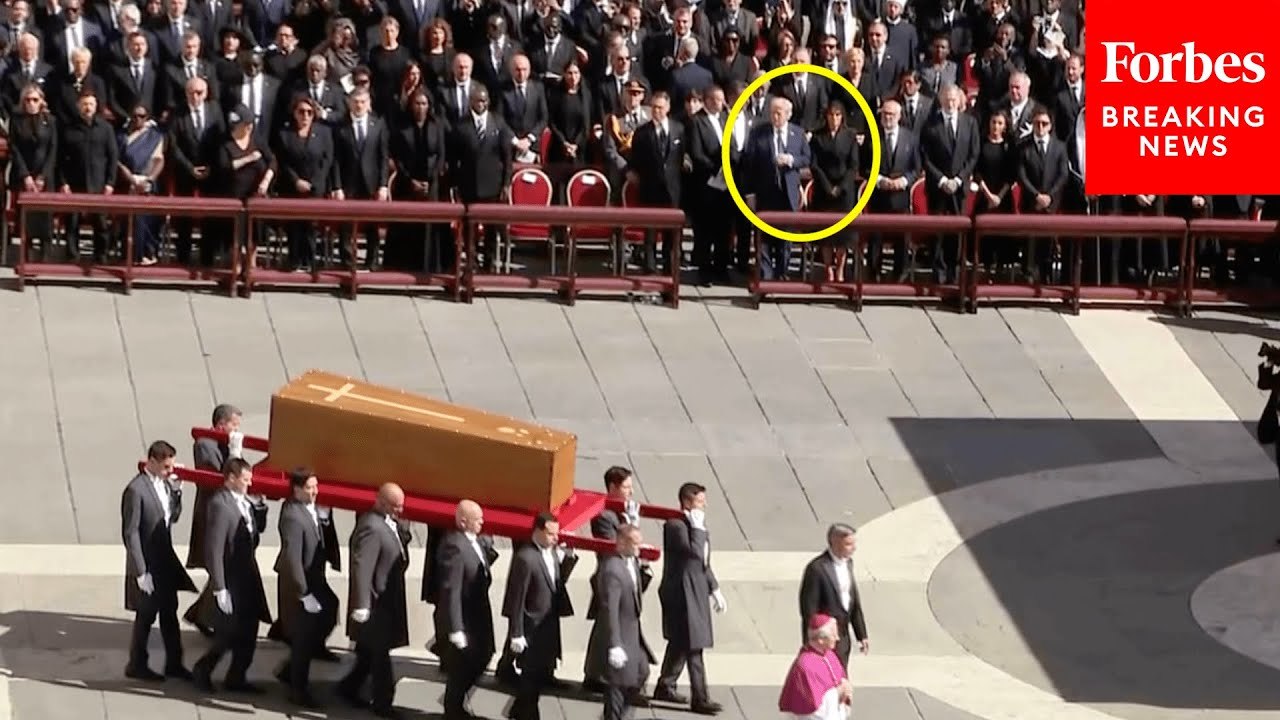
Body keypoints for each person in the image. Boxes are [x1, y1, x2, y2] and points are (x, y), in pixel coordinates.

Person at [191, 457, 274, 694]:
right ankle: (203, 669)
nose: (249, 484)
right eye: (245, 479)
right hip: (232, 578)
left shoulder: (243, 502)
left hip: (248, 575)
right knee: (228, 633)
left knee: (249, 630)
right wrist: (219, 588)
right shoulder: (220, 505)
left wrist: (259, 508)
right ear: (231, 478)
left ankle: (237, 676)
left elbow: (255, 533)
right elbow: (214, 549)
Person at [122, 440, 197, 682]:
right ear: (151, 462)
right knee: (145, 615)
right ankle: (136, 663)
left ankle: (174, 663)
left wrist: (176, 491)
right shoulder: (136, 490)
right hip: (148, 563)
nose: (169, 471)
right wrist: (141, 571)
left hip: (165, 561)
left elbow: (172, 517)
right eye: (165, 467)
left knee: (169, 613)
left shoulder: (164, 485)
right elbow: (131, 532)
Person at [338, 483, 412, 718]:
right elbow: (363, 567)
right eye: (394, 506)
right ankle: (383, 702)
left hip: (387, 600)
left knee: (369, 654)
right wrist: (362, 604)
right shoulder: (371, 527)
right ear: (380, 502)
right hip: (375, 604)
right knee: (380, 656)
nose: (399, 511)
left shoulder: (388, 523)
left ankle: (348, 688)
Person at [270, 468, 340, 708]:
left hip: (315, 578)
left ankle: (300, 661)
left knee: (330, 609)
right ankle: (297, 689)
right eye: (309, 488)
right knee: (302, 637)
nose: (314, 492)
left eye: (315, 487)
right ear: (296, 489)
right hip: (300, 584)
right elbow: (292, 558)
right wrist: (303, 594)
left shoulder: (308, 508)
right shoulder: (292, 516)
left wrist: (324, 520)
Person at [654, 482, 726, 714]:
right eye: (699, 500)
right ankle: (700, 697)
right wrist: (697, 530)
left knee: (681, 643)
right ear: (686, 501)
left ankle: (665, 684)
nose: (704, 504)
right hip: (682, 592)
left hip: (695, 589)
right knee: (694, 645)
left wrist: (714, 589)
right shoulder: (676, 526)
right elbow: (693, 553)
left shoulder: (697, 525)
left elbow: (704, 562)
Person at [501, 512, 577, 720]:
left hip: (547, 626)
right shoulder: (526, 558)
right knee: (530, 677)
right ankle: (526, 714)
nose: (556, 538)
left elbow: (555, 581)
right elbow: (517, 598)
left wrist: (568, 558)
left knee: (537, 676)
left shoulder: (550, 553)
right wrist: (516, 633)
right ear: (538, 531)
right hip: (531, 628)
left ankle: (518, 709)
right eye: (551, 534)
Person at [436, 499, 499, 719]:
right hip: (466, 618)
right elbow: (451, 590)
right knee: (464, 665)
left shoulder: (474, 542)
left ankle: (455, 702)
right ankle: (452, 708)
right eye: (477, 519)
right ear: (463, 522)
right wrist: (455, 628)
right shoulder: (455, 546)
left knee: (485, 655)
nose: (482, 522)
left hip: (479, 614)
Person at [588, 523, 656, 720]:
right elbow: (610, 609)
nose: (638, 548)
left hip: (632, 634)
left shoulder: (630, 562)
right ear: (621, 543)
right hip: (620, 636)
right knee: (617, 685)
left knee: (641, 671)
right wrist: (615, 644)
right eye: (634, 544)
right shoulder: (613, 571)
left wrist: (644, 570)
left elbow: (635, 592)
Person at [743, 96, 810, 281]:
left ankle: (782, 272)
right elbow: (749, 165)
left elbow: (807, 158)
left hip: (787, 193)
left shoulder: (797, 133)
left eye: (779, 113)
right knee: (763, 237)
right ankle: (766, 274)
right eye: (772, 112)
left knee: (785, 237)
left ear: (788, 115)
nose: (775, 116)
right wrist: (750, 194)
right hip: (765, 193)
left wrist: (791, 160)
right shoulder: (758, 133)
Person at [798, 524, 869, 669]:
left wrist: (861, 634)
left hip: (842, 637)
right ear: (835, 542)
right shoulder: (816, 569)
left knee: (841, 679)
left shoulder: (848, 563)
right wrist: (814, 640)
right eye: (849, 544)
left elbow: (852, 600)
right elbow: (809, 610)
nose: (854, 548)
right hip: (824, 639)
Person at [778, 614, 853, 720]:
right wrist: (838, 693)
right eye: (833, 635)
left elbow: (840, 681)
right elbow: (811, 709)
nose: (837, 638)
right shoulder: (805, 666)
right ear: (820, 640)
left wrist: (846, 690)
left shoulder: (830, 655)